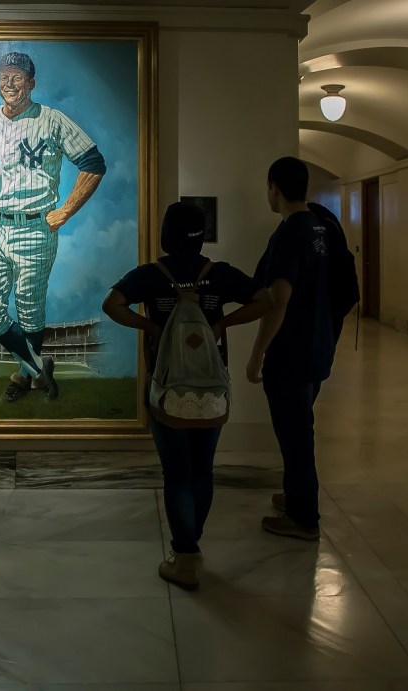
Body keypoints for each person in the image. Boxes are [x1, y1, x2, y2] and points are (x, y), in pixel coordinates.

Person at [103, 202, 271, 588]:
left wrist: (151, 326)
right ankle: (192, 545)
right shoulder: (220, 274)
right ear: (201, 236)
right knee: (202, 469)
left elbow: (111, 304)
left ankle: (185, 556)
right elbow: (266, 300)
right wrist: (221, 322)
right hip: (212, 389)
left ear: (166, 234)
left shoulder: (150, 275)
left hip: (167, 390)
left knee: (176, 472)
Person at [0, 51, 106, 403]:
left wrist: (65, 210)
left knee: (30, 310)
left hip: (36, 227)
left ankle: (23, 373)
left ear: (31, 83)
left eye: (17, 76)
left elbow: (93, 162)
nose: (8, 82)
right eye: (3, 75)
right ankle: (38, 368)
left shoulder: (51, 120)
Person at [248, 156, 336, 541]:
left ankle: (304, 519)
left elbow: (278, 299)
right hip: (319, 345)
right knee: (298, 429)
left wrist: (257, 355)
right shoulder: (321, 226)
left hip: (292, 353)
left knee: (296, 436)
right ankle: (296, 497)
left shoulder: (288, 234)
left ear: (274, 188)